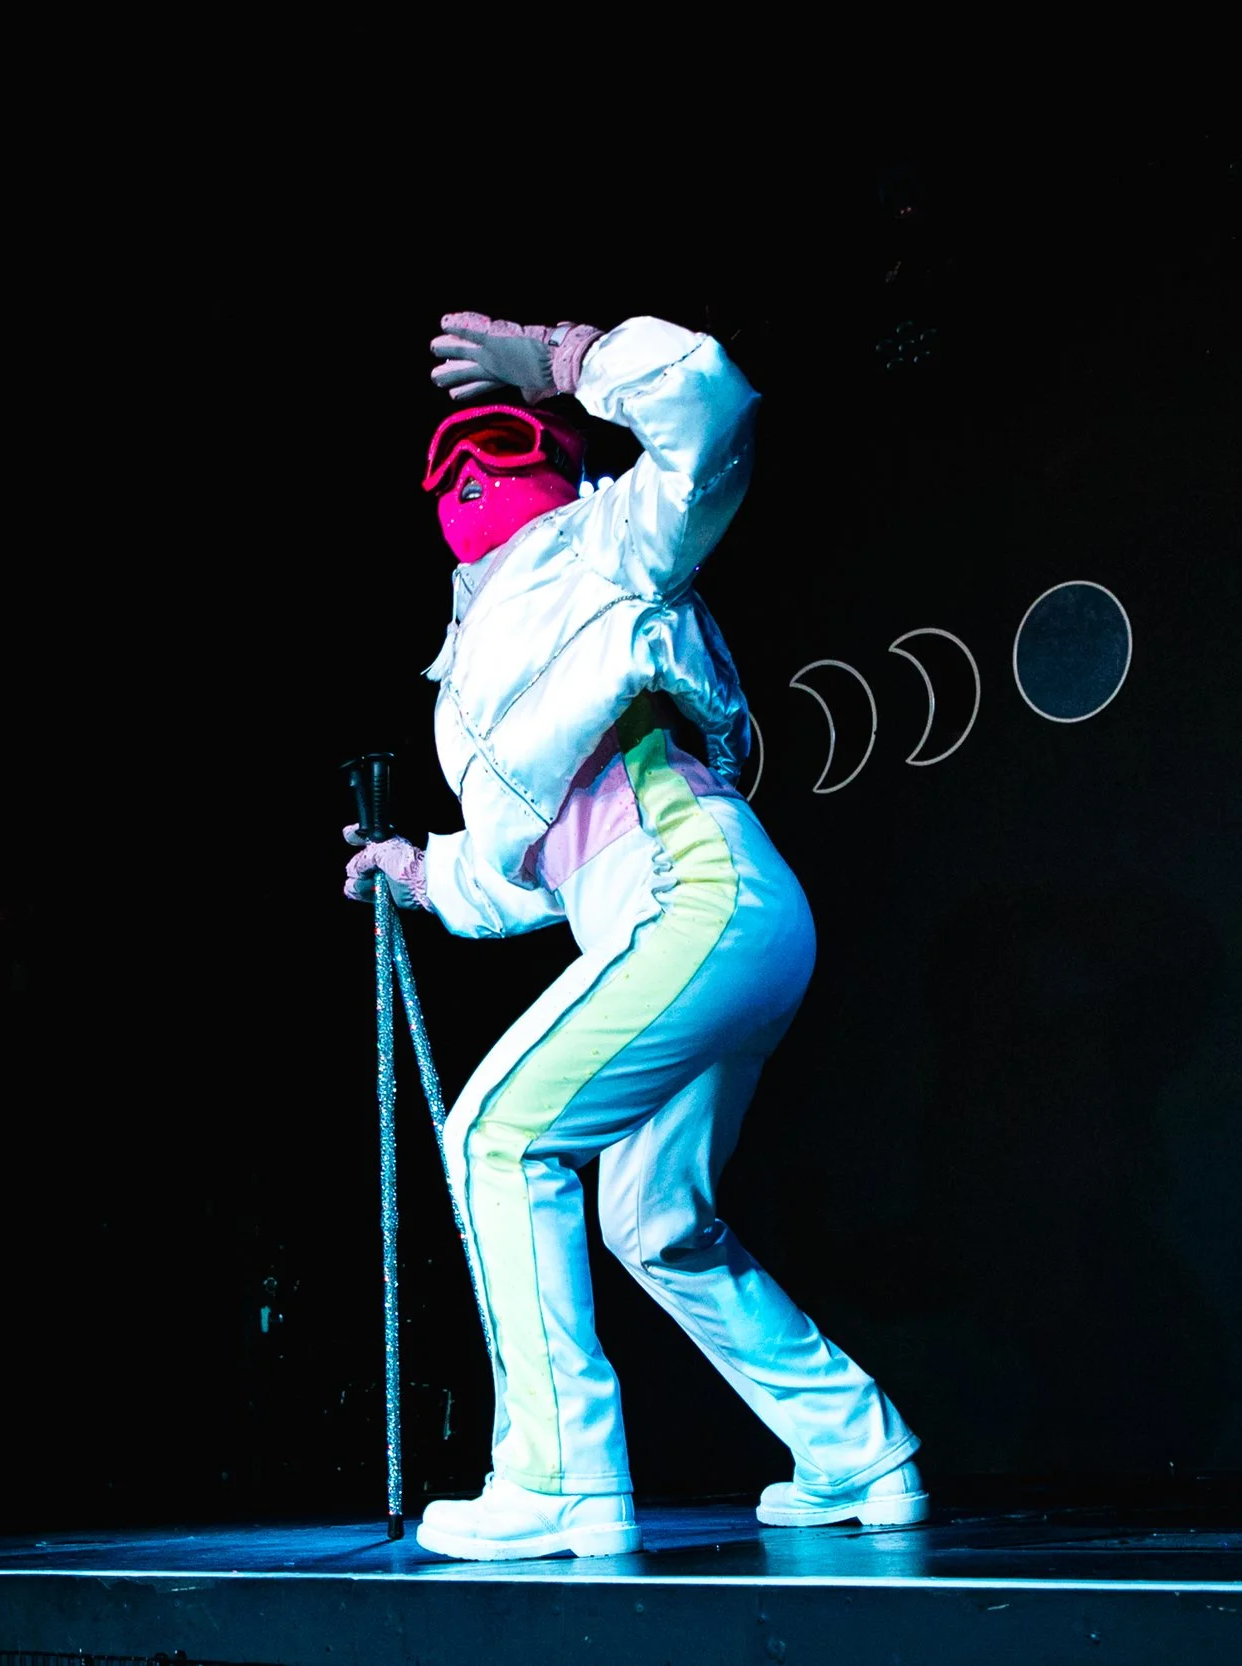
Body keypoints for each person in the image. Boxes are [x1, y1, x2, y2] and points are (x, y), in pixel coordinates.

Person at [341, 311, 926, 1562]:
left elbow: (708, 410)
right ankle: (854, 1448)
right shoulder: (476, 669)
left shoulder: (603, 541)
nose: (469, 475)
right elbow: (533, 868)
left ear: (555, 457)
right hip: (677, 905)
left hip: (690, 884)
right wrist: (421, 870)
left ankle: (558, 1475)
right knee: (655, 1217)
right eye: (448, 463)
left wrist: (560, 359)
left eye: (499, 445)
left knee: (497, 1138)